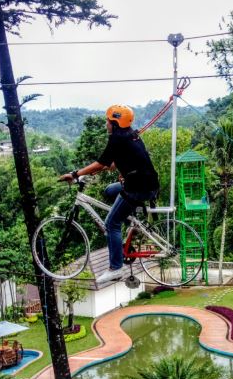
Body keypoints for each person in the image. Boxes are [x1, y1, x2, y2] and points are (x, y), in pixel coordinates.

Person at [60, 104, 159, 284]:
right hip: (147, 183)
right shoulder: (131, 134)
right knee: (109, 191)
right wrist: (102, 169)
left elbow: (101, 162)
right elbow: (117, 160)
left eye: (107, 120)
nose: (106, 123)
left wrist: (75, 174)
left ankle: (116, 268)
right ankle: (131, 220)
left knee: (111, 223)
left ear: (114, 122)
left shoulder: (117, 138)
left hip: (137, 188)